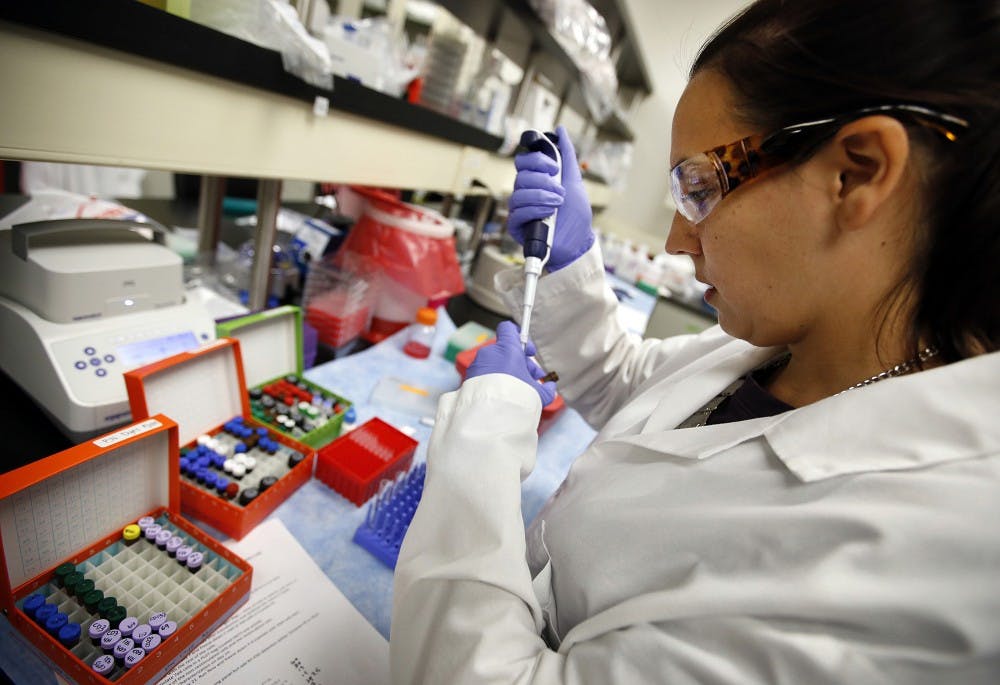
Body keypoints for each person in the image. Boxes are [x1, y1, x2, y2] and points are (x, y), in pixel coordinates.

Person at [390, 0, 1000, 682]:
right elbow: (633, 386)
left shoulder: (912, 565)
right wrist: (570, 263)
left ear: (855, 171)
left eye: (701, 186)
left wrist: (479, 447)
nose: (678, 241)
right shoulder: (799, 342)